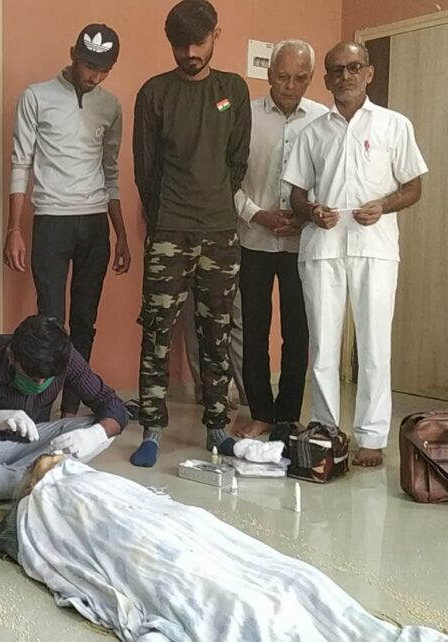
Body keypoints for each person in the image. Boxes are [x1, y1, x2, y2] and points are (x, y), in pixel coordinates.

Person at [0, 455, 448, 642]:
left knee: (293, 579)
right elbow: (63, 545)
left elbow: (156, 505)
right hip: (138, 542)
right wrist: (44, 493)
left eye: (57, 457)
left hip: (179, 525)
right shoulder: (43, 505)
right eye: (47, 463)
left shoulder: (94, 477)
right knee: (234, 601)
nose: (55, 460)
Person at [283, 42, 428, 468]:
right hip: (322, 249)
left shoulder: (394, 126)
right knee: (323, 347)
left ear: (369, 73)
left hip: (375, 248)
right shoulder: (312, 132)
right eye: (336, 70)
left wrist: (384, 205)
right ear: (326, 79)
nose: (345, 76)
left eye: (353, 67)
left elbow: (414, 187)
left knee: (374, 345)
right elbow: (295, 195)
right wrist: (312, 211)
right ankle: (326, 431)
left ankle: (371, 437)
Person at [131, 0, 251, 467]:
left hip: (220, 232)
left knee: (216, 332)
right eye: (180, 46)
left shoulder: (233, 90)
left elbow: (237, 160)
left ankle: (217, 426)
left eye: (198, 43)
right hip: (169, 233)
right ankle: (152, 429)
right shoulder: (154, 93)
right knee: (156, 332)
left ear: (215, 35)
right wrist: (168, 214)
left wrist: (213, 201)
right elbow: (145, 169)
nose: (190, 54)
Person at [5, 24, 131, 418]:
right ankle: (41, 410)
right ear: (73, 54)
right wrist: (13, 229)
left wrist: (121, 234)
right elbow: (20, 163)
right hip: (52, 221)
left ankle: (70, 411)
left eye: (103, 70)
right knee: (50, 323)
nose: (94, 76)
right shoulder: (36, 97)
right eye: (89, 65)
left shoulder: (110, 106)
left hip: (94, 223)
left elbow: (110, 171)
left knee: (84, 321)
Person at [231, 40, 327, 437]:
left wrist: (305, 218)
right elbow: (229, 178)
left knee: (298, 333)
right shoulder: (245, 116)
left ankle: (287, 417)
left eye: (300, 78)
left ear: (310, 78)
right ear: (269, 75)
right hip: (254, 239)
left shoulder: (323, 119)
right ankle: (261, 413)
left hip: (302, 245)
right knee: (253, 331)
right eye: (283, 76)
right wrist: (259, 214)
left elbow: (329, 181)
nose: (290, 85)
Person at [0, 315, 129, 501]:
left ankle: (19, 481)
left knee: (102, 428)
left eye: (47, 379)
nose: (39, 384)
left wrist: (95, 434)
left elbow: (113, 405)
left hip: (33, 440)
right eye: (31, 377)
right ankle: (38, 479)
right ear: (11, 356)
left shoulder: (64, 357)